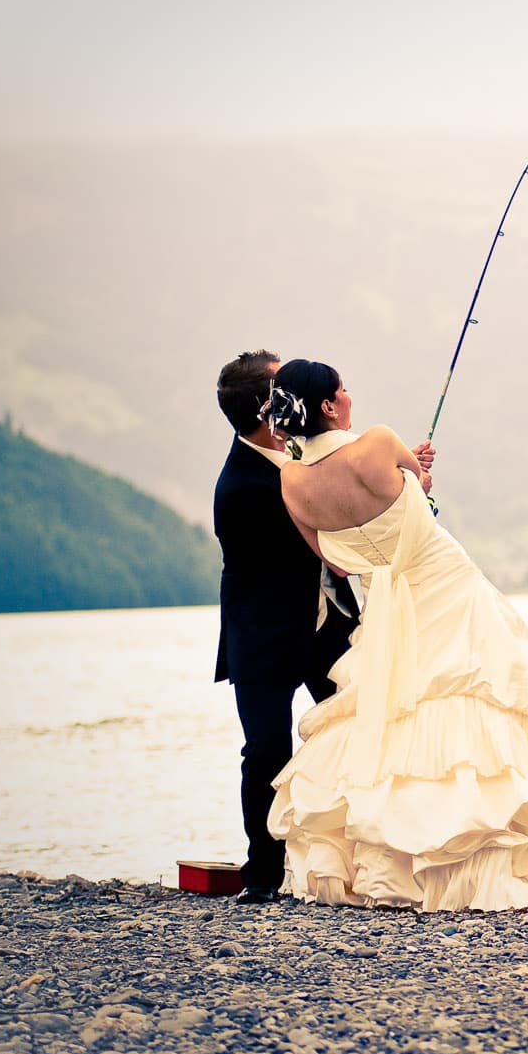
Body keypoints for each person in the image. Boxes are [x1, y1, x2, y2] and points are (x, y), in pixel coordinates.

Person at [259, 358, 528, 911]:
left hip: (385, 602)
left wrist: (402, 493)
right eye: (345, 390)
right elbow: (419, 490)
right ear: (330, 406)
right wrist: (416, 479)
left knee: (396, 719)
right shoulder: (380, 442)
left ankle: (397, 867)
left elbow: (335, 562)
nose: (350, 396)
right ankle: (482, 862)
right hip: (445, 582)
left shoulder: (291, 481)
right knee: (478, 699)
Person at [211, 350, 373, 904]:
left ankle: (361, 859)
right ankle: (263, 873)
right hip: (264, 637)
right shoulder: (240, 487)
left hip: (328, 625)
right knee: (266, 751)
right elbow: (332, 533)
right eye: (282, 388)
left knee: (360, 728)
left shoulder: (302, 456)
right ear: (266, 406)